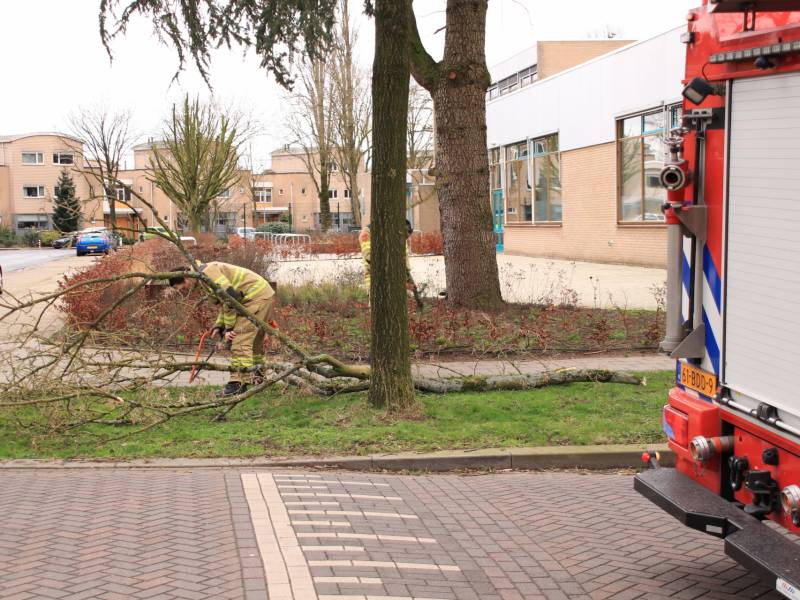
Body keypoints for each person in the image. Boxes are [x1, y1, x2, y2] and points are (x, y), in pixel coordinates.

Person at [168, 261, 275, 397]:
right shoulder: (203, 276)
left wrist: (229, 329)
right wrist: (220, 326)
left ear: (185, 278)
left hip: (254, 297)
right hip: (261, 295)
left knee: (240, 340)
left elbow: (230, 298)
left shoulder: (207, 273)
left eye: (181, 287)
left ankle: (238, 383)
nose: (184, 290)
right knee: (254, 341)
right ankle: (259, 377)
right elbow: (224, 303)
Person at [359, 219, 415, 293]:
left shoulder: (397, 235)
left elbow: (404, 260)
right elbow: (369, 256)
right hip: (374, 277)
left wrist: (408, 278)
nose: (404, 238)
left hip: (395, 278)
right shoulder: (367, 232)